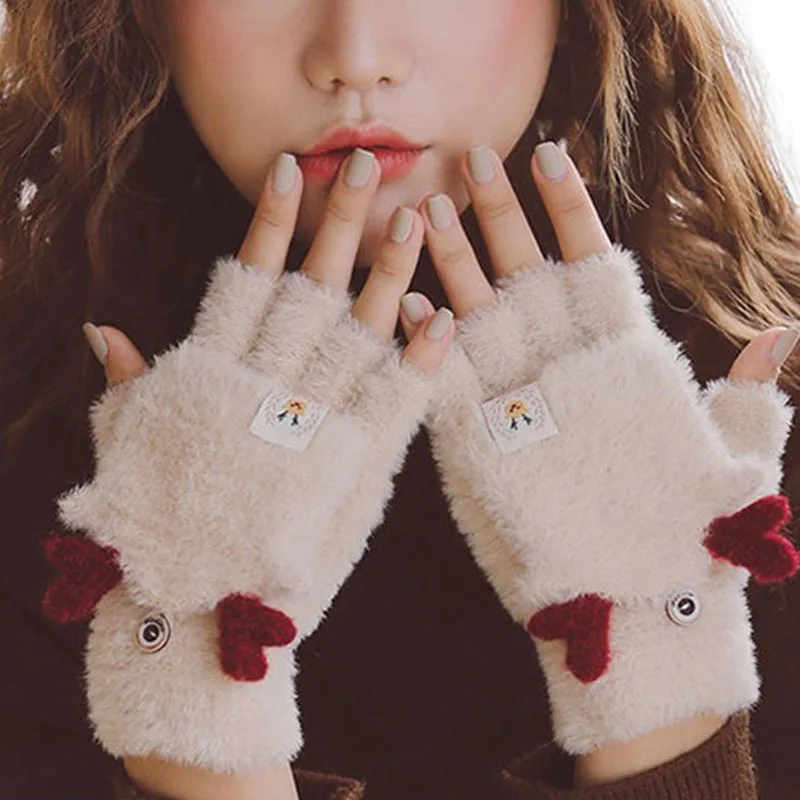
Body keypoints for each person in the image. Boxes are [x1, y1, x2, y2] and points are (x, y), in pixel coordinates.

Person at [2, 0, 800, 798]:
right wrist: (191, 706)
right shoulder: (26, 433)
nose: (356, 57)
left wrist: (660, 654)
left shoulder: (752, 388)